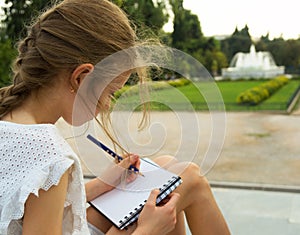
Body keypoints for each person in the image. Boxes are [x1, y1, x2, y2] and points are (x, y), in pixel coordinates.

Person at [0, 0, 230, 234]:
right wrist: (147, 230)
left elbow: (27, 206)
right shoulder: (49, 155)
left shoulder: (10, 122)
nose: (108, 103)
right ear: (80, 78)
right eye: (110, 91)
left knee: (167, 169)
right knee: (185, 181)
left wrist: (103, 184)